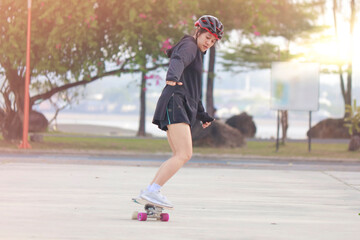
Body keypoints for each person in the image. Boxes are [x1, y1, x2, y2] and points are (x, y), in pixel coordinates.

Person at [137, 15, 224, 208]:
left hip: (178, 103)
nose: (209, 43)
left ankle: (151, 191)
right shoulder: (190, 45)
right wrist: (172, 76)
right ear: (198, 32)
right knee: (184, 154)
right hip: (175, 103)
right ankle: (152, 191)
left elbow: (192, 91)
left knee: (179, 153)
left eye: (213, 41)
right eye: (207, 37)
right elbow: (178, 59)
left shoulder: (197, 53)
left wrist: (202, 114)